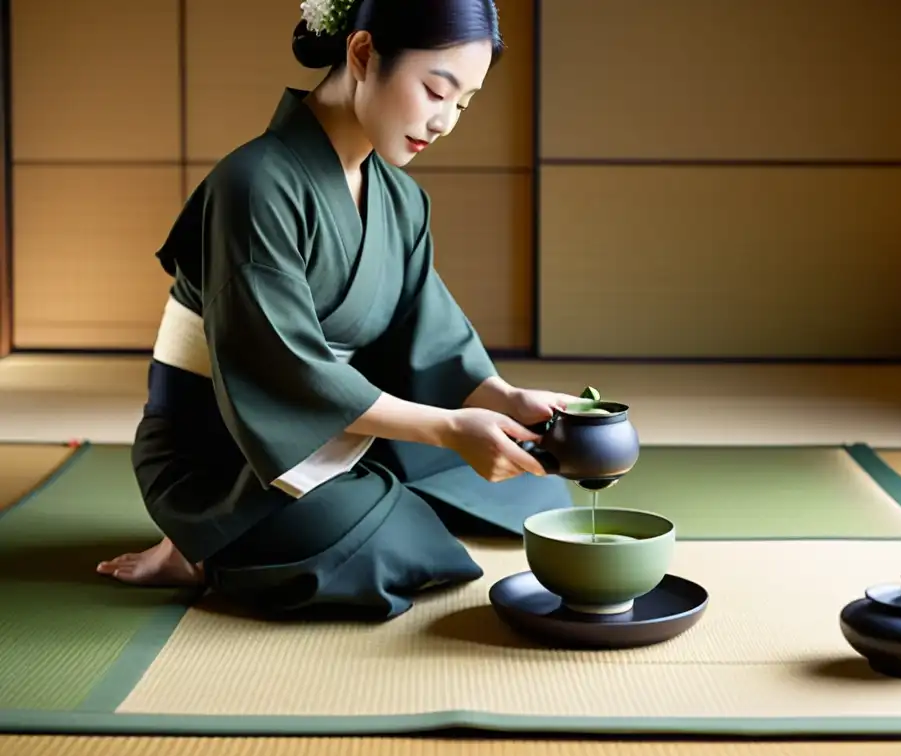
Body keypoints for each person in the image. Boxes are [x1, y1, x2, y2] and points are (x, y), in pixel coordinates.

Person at [95, 0, 578, 619]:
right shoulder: (253, 185)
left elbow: (426, 338)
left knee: (526, 485)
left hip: (331, 422)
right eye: (436, 90)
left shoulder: (401, 200)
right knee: (391, 548)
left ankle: (368, 490)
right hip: (226, 450)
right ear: (361, 54)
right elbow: (281, 373)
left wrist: (503, 400)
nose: (445, 122)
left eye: (464, 103)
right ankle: (196, 545)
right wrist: (452, 429)